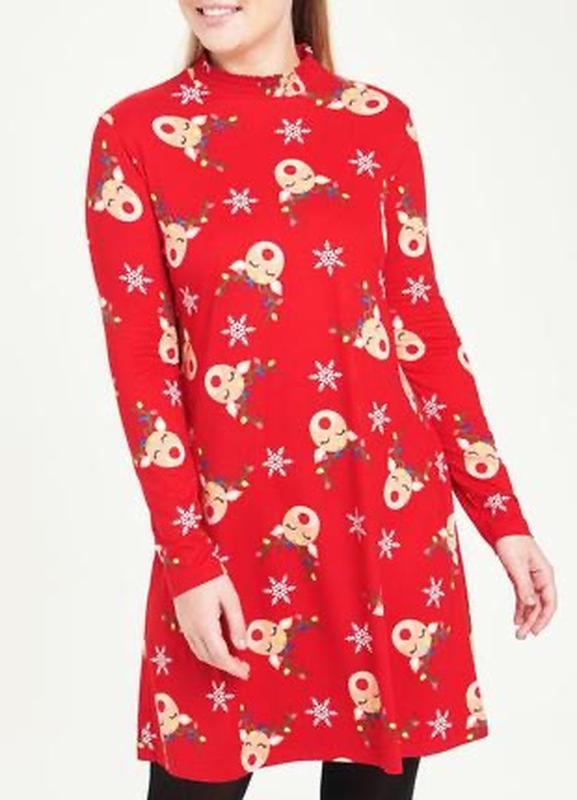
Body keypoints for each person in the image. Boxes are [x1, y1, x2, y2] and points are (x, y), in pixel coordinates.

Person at [84, 1, 557, 798]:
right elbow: (142, 370)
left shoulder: (377, 123)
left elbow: (420, 331)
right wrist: (187, 562)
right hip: (226, 543)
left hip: (383, 524)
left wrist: (500, 517)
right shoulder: (134, 133)